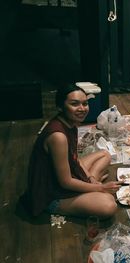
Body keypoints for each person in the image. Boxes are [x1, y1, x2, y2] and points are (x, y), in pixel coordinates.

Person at [21, 84, 123, 218]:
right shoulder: (58, 136)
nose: (82, 109)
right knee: (109, 205)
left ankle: (89, 186)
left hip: (65, 175)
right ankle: (88, 192)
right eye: (75, 104)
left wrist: (91, 179)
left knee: (105, 154)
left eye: (85, 103)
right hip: (51, 193)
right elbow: (65, 182)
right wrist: (100, 188)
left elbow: (74, 159)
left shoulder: (70, 123)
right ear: (60, 106)